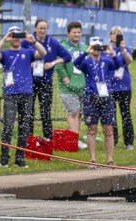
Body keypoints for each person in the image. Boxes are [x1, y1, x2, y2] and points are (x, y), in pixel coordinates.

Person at [0, 26, 46, 168]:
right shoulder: (5, 53)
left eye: (18, 35)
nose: (15, 38)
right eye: (12, 35)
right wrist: (4, 39)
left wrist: (33, 41)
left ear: (22, 37)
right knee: (8, 126)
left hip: (26, 93)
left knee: (24, 126)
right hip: (11, 94)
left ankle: (20, 158)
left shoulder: (28, 52)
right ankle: (4, 158)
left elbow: (43, 53)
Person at [73, 36, 128, 167]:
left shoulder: (107, 60)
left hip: (106, 97)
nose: (96, 49)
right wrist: (86, 52)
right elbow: (75, 63)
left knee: (108, 129)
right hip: (91, 97)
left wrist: (112, 52)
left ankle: (110, 159)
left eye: (98, 46)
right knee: (92, 129)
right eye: (94, 46)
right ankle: (92, 159)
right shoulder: (86, 62)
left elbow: (119, 64)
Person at [28, 19, 71, 142]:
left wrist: (52, 63)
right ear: (35, 28)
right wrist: (34, 65)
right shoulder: (28, 42)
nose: (42, 30)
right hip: (30, 81)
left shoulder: (52, 42)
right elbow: (22, 58)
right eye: (40, 28)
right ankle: (28, 140)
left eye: (44, 28)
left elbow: (67, 56)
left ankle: (48, 141)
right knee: (29, 112)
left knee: (45, 112)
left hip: (46, 81)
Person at [55, 21, 87, 151]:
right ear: (68, 34)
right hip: (67, 87)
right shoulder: (62, 47)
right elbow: (58, 64)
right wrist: (65, 79)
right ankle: (74, 142)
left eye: (79, 32)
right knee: (73, 113)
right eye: (74, 32)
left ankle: (73, 138)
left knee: (78, 114)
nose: (77, 34)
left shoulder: (85, 48)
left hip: (82, 86)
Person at [108, 26, 135, 150]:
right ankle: (113, 140)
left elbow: (129, 61)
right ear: (110, 36)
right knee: (111, 114)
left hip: (124, 86)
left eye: (119, 34)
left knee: (125, 113)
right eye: (114, 33)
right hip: (110, 86)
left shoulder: (126, 49)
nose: (116, 36)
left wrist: (123, 50)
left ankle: (128, 141)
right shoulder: (107, 50)